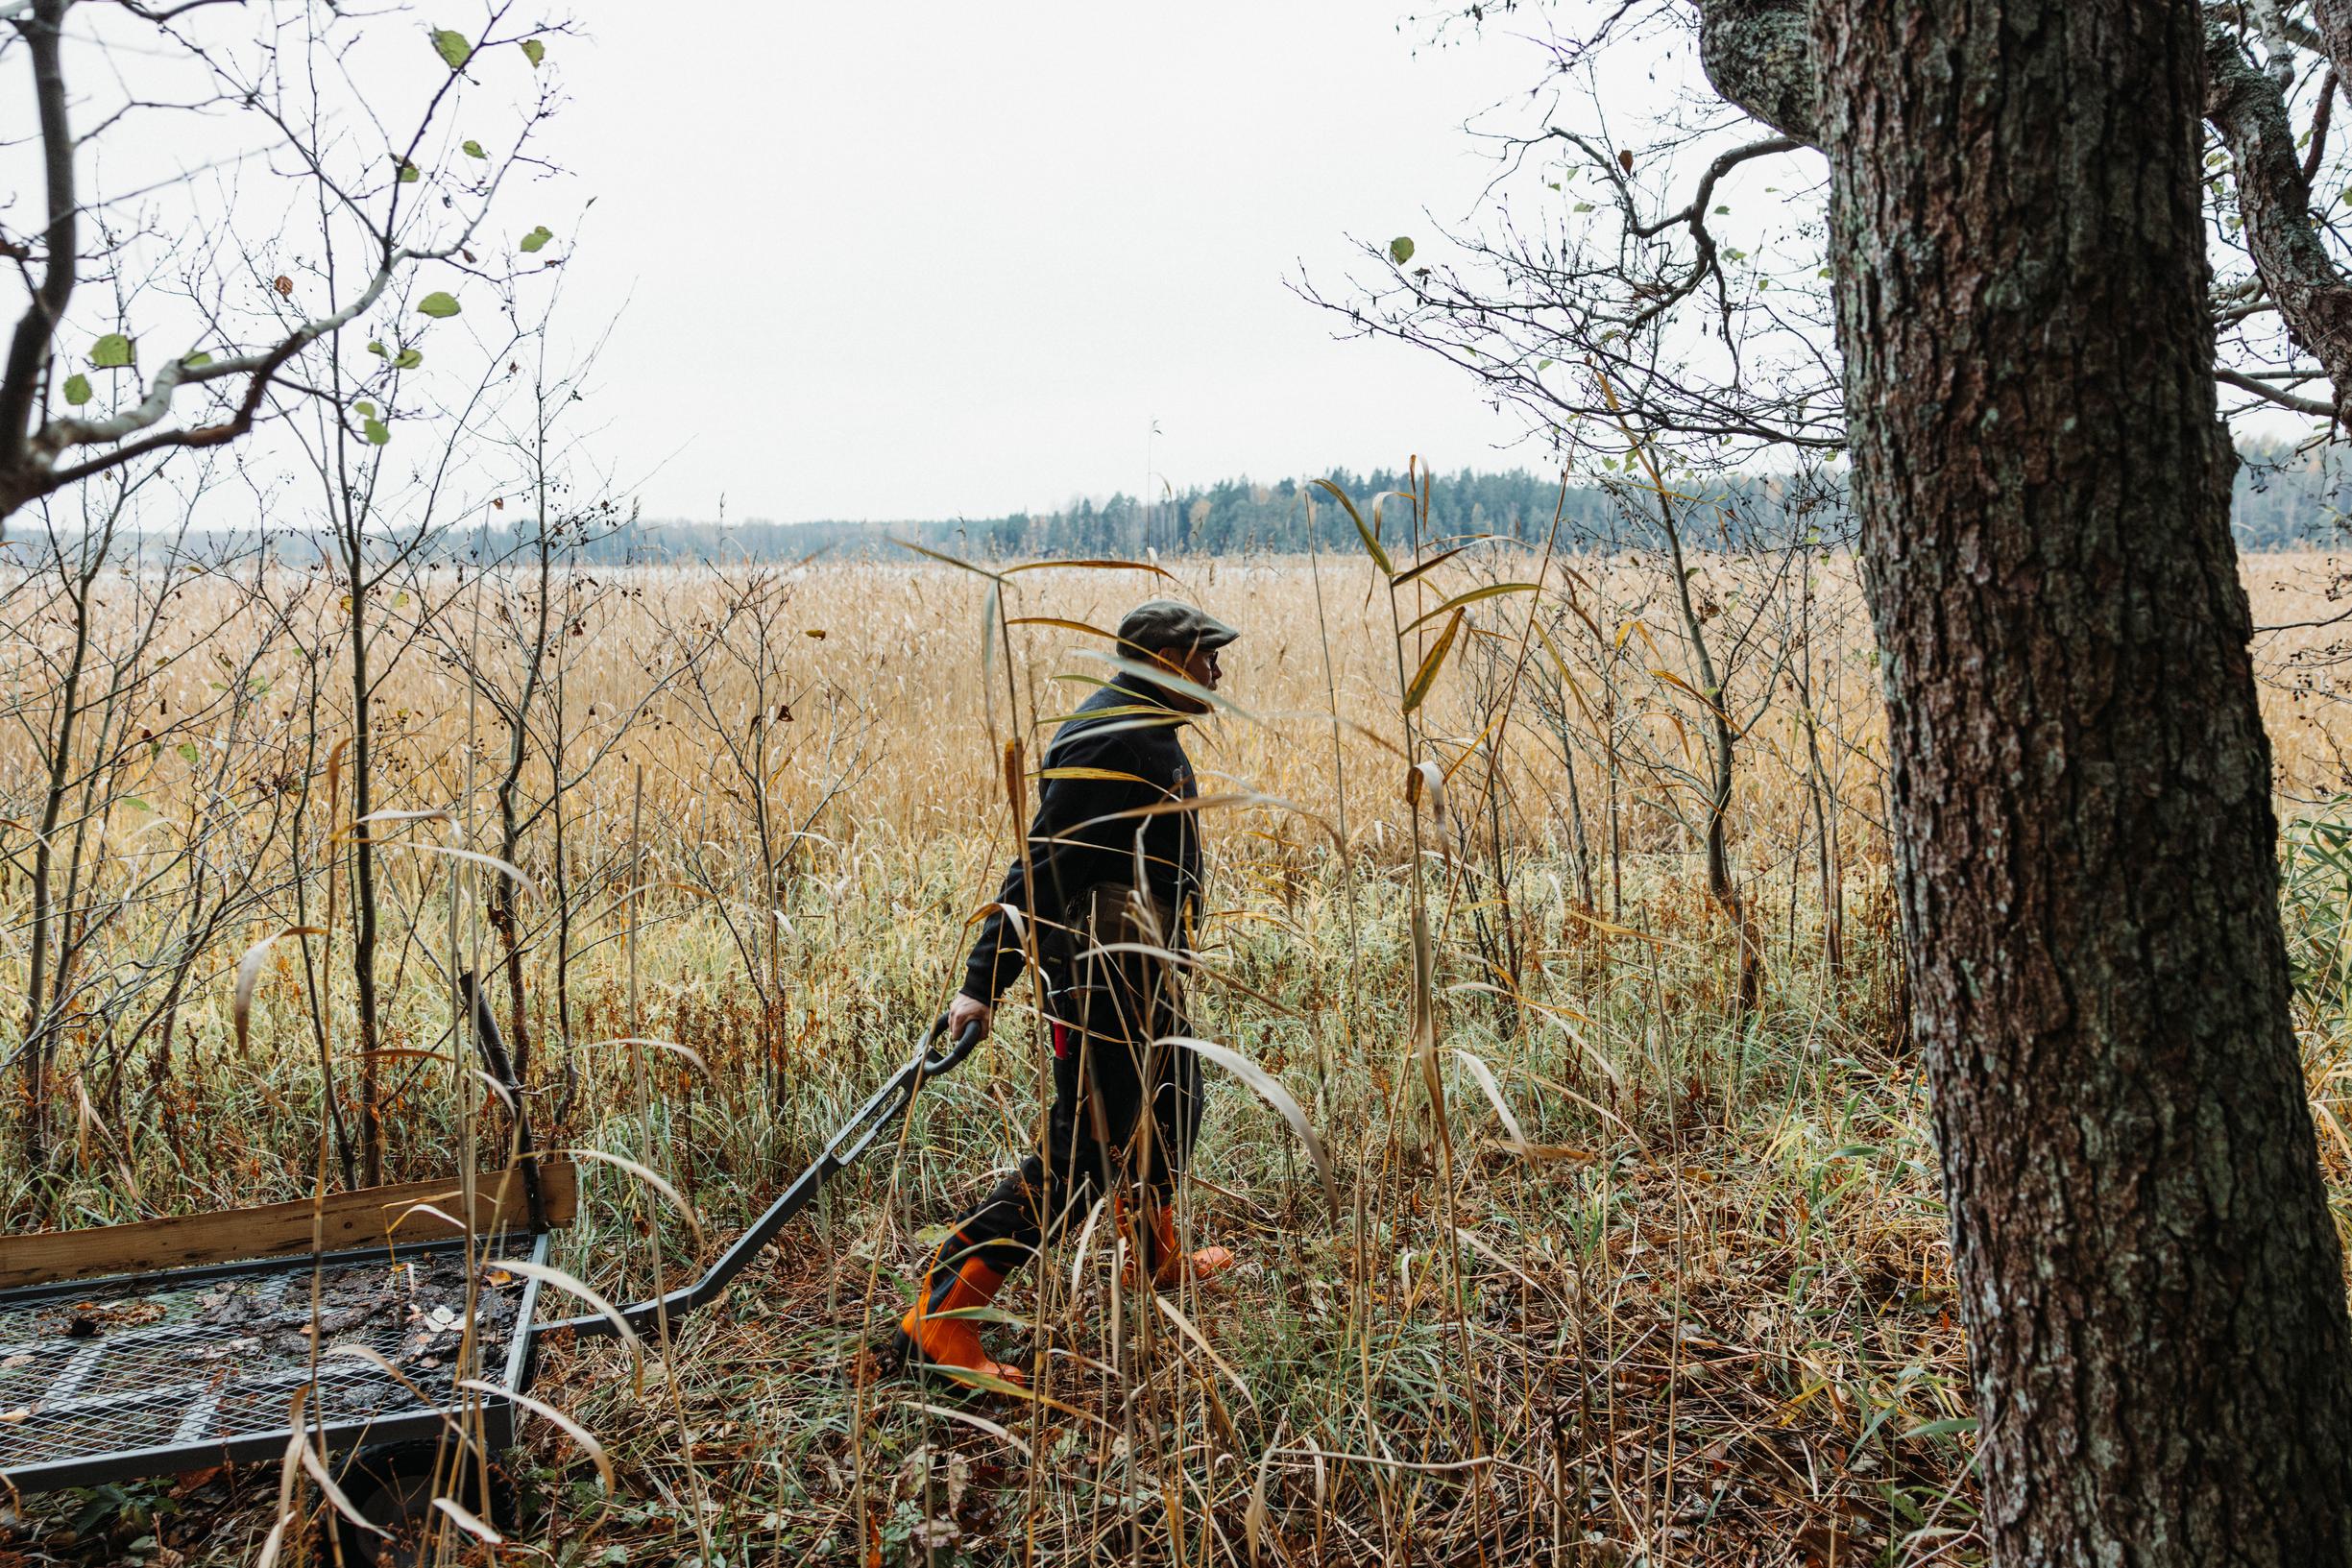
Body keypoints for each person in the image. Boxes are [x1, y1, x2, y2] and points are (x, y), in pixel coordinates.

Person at [894, 599, 1242, 1387]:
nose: (1218, 672)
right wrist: (984, 982)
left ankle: (1152, 1258)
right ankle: (941, 1315)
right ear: (1163, 656)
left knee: (1174, 1099)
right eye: (1205, 656)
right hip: (1099, 975)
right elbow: (1042, 865)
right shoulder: (1113, 737)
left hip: (1140, 966)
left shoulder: (1143, 729)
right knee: (1082, 1153)